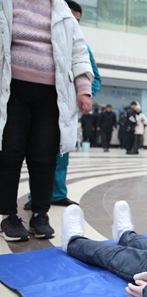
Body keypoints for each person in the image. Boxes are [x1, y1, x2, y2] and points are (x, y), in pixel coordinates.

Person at [0, 0, 94, 241]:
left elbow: (78, 51)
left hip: (52, 94)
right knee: (9, 152)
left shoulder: (62, 10)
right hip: (11, 90)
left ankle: (40, 214)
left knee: (45, 154)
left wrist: (83, 88)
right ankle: (8, 216)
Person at [23, 0, 102, 211]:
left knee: (60, 154)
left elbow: (93, 77)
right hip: (36, 104)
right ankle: (36, 195)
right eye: (72, 19)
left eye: (78, 21)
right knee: (35, 153)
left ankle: (57, 194)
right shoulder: (40, 39)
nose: (75, 24)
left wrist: (82, 94)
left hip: (63, 110)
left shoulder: (82, 48)